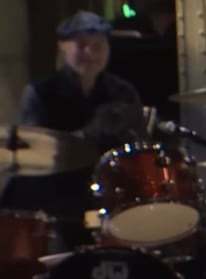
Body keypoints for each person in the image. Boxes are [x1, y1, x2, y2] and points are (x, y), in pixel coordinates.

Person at [2, 11, 145, 250]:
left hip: (107, 197)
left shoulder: (123, 93)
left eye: (97, 46)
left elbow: (136, 148)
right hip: (55, 197)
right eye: (81, 45)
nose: (90, 53)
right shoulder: (41, 92)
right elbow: (35, 154)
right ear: (63, 47)